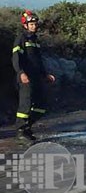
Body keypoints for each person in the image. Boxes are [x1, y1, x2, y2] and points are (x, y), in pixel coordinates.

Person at [12, 10, 55, 143]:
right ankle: (20, 133)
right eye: (31, 24)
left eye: (35, 23)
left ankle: (27, 128)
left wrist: (45, 74)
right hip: (26, 78)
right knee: (25, 105)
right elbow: (16, 58)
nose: (34, 26)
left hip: (36, 77)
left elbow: (38, 60)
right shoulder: (21, 38)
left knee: (41, 105)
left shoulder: (35, 40)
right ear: (25, 25)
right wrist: (21, 73)